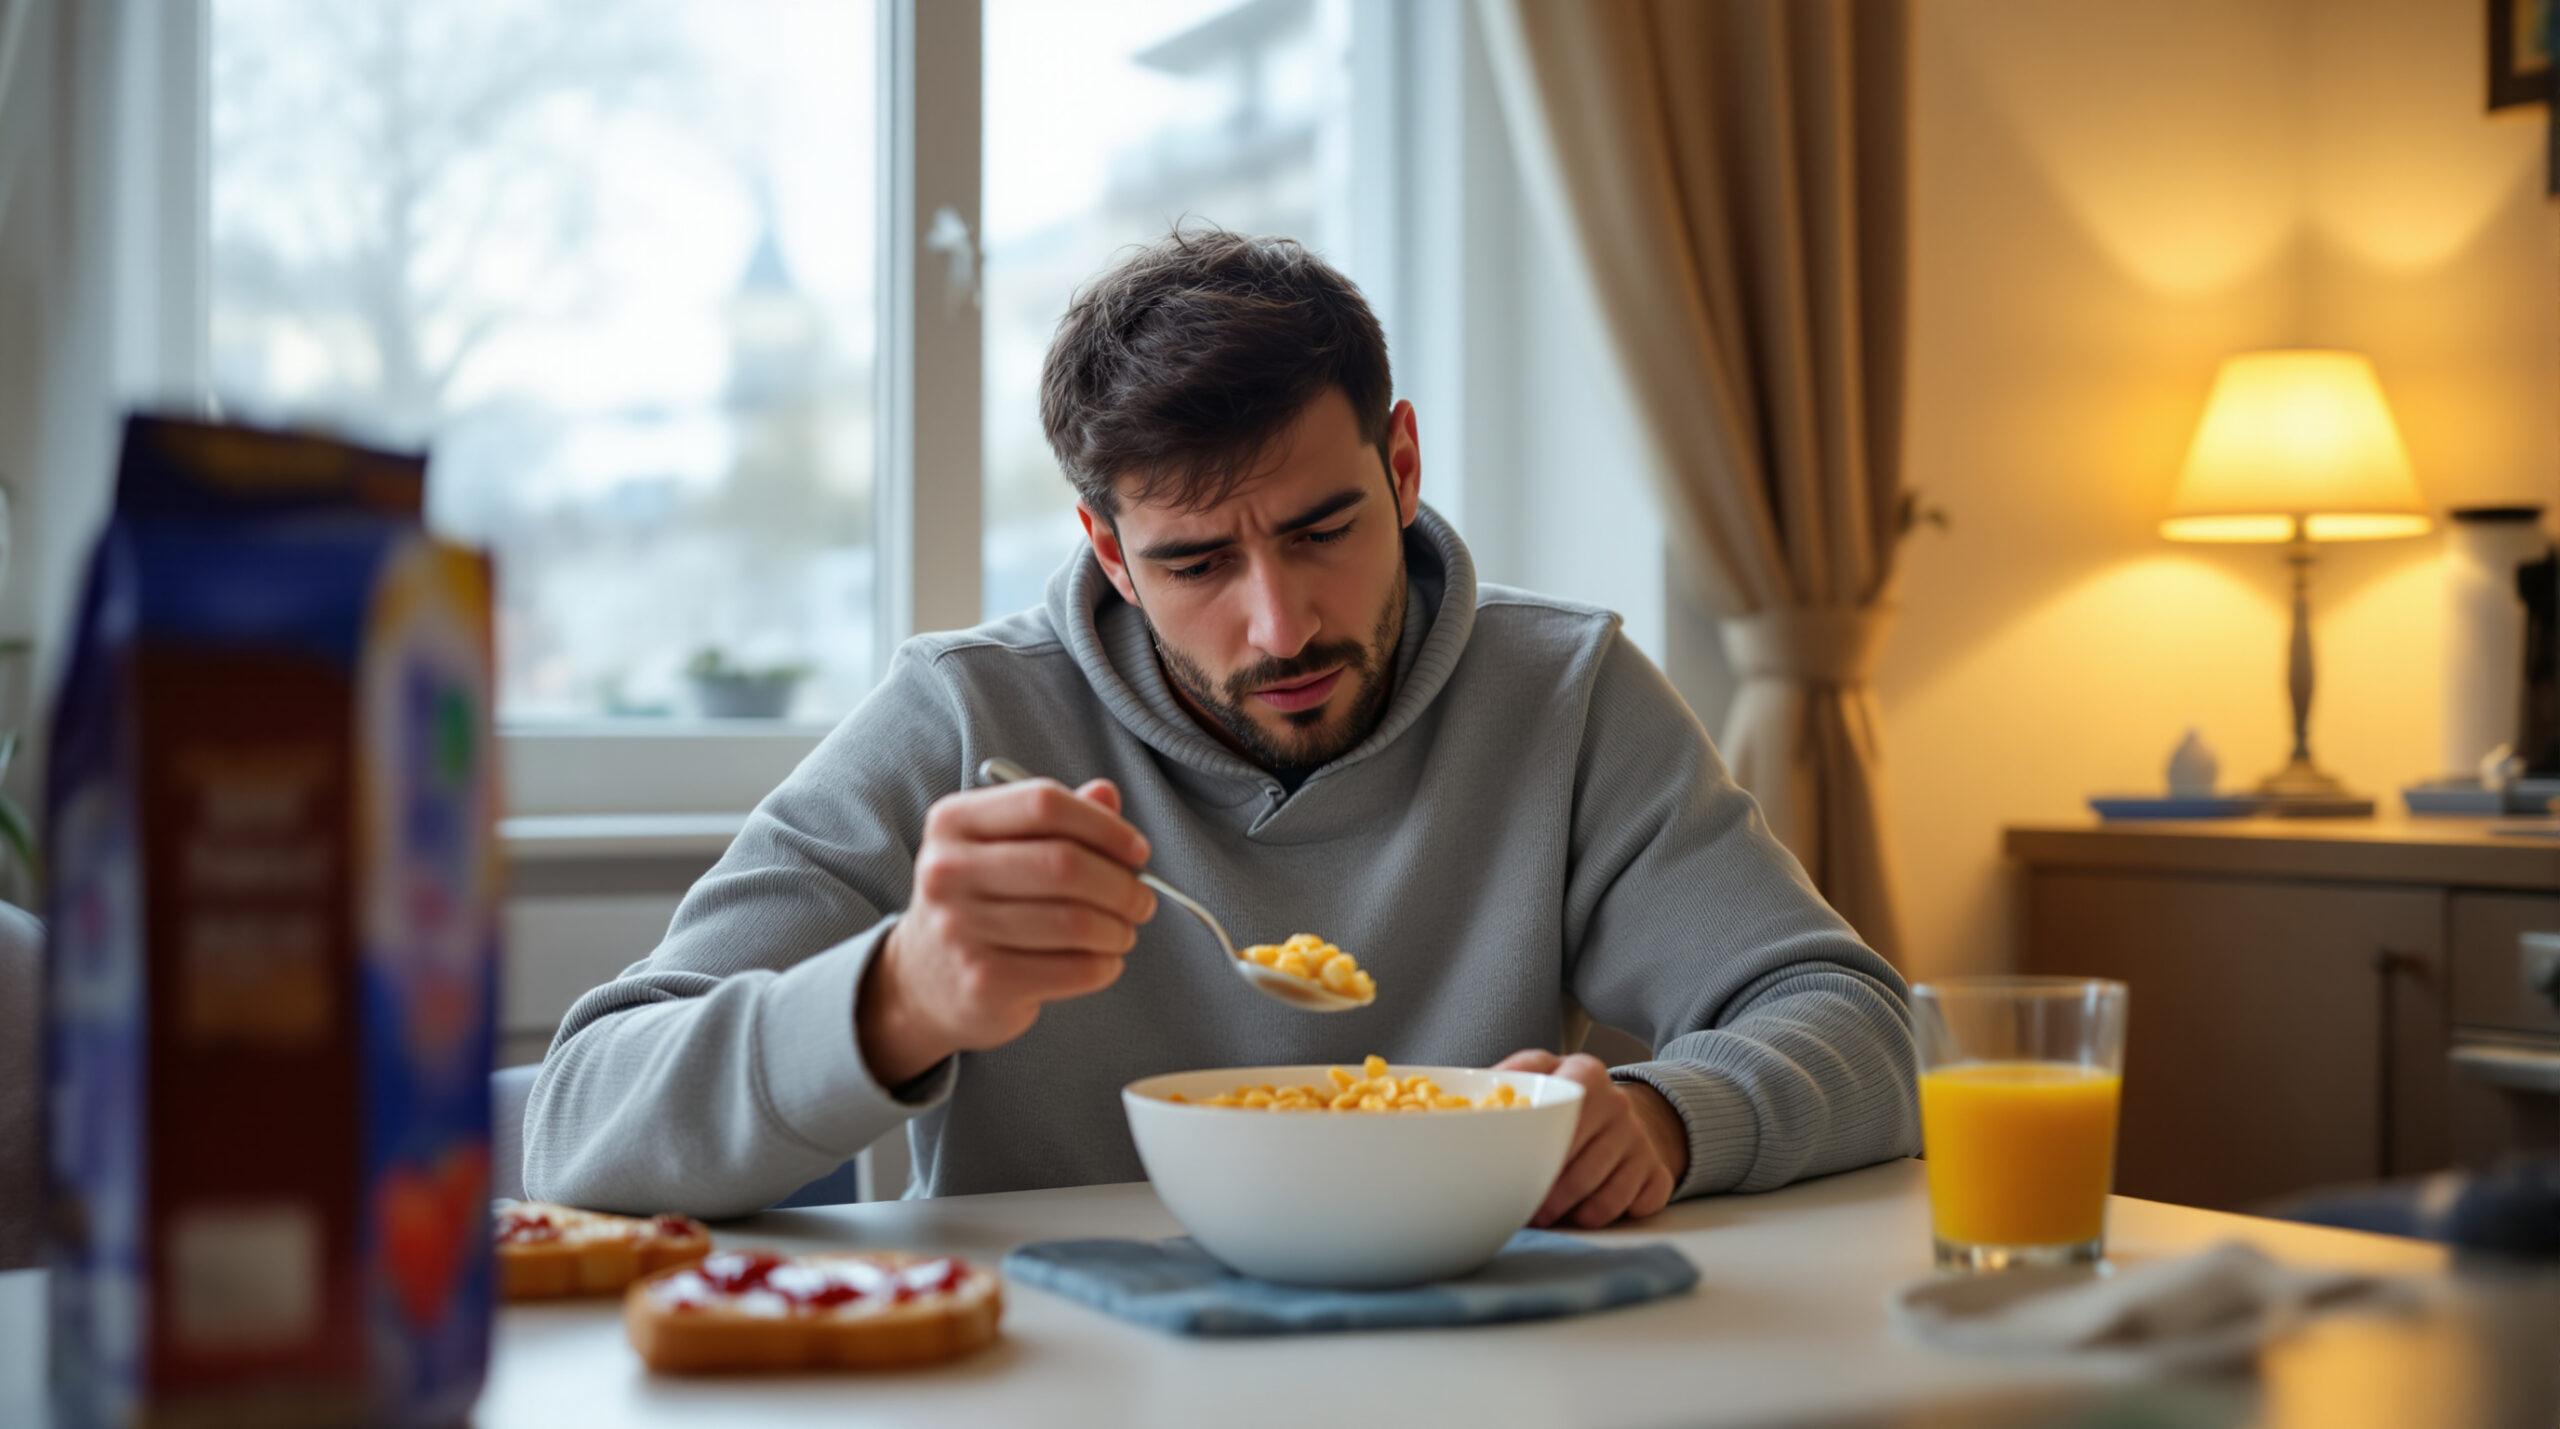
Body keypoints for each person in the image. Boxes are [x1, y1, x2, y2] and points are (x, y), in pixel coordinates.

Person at [524, 228, 1920, 1225]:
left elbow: (1869, 1027)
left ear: (1405, 462)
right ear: (1109, 550)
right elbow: (580, 1122)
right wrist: (902, 996)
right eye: (1198, 563)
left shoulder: (1562, 694)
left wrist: (1673, 1116)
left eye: (1325, 528)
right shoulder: (966, 715)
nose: (1283, 625)